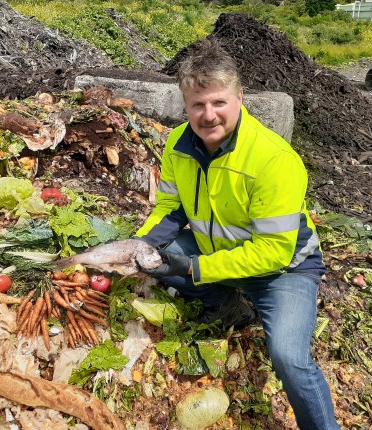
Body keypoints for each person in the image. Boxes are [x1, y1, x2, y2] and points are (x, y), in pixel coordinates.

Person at [134, 38, 340, 430]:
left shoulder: (273, 160)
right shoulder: (178, 144)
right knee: (153, 259)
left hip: (282, 271)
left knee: (288, 356)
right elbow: (169, 210)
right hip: (219, 252)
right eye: (197, 104)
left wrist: (195, 268)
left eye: (218, 102)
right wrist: (137, 246)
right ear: (185, 105)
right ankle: (229, 307)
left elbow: (273, 253)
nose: (208, 115)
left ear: (239, 98)